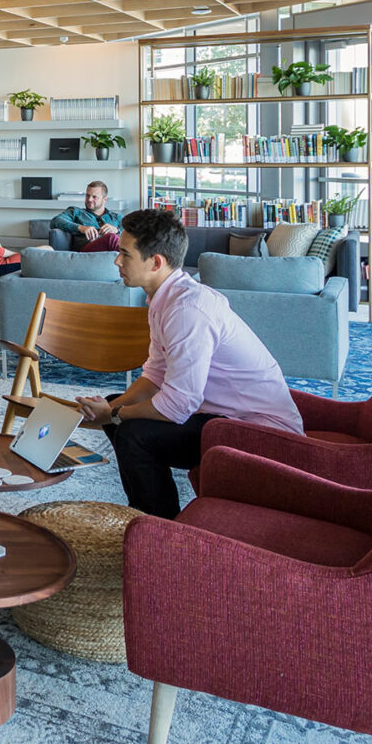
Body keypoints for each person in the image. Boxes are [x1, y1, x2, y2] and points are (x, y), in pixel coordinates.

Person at [76, 208, 301, 519]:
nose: (117, 261)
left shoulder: (187, 310)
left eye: (125, 255)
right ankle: (151, 513)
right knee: (119, 410)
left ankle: (160, 527)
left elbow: (178, 404)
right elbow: (155, 374)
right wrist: (108, 410)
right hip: (223, 417)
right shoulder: (164, 298)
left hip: (260, 434)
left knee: (131, 432)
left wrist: (114, 415)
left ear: (156, 262)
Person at [50, 181, 123, 252]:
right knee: (111, 237)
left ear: (105, 199)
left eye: (94, 197)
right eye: (87, 195)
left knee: (114, 238)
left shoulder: (116, 217)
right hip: (87, 250)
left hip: (111, 254)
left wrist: (117, 231)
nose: (89, 199)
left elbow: (131, 235)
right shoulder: (75, 212)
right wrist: (80, 228)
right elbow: (55, 221)